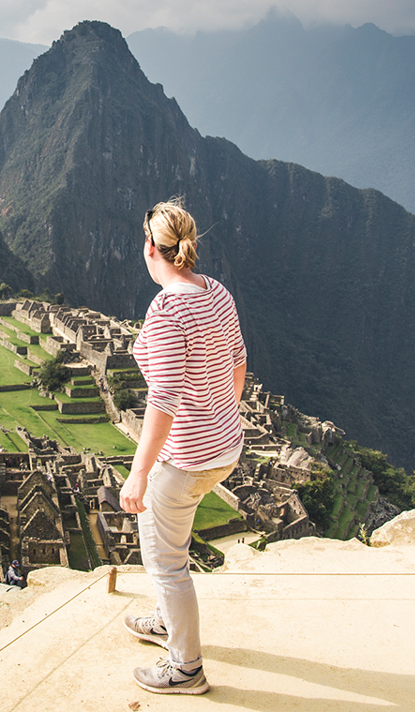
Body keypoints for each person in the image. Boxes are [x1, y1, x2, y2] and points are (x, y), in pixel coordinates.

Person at [119, 199, 248, 696]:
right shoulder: (217, 292)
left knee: (166, 562)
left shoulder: (168, 309)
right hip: (224, 449)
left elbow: (164, 399)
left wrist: (138, 473)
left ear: (151, 247)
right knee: (175, 543)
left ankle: (185, 667)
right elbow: (238, 364)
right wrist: (218, 416)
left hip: (185, 460)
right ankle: (165, 620)